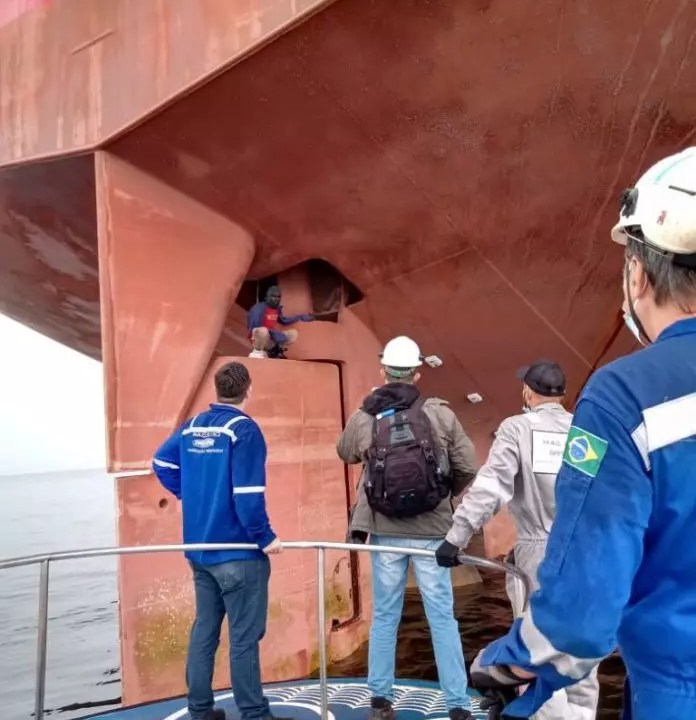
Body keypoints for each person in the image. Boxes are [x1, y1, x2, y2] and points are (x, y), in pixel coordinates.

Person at [468, 147, 696, 720]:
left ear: (639, 272)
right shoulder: (583, 416)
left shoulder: (622, 398)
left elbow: (581, 618)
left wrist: (509, 660)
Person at [435, 361, 599, 720]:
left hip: (539, 554)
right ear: (563, 395)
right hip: (587, 554)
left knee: (538, 649)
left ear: (527, 391)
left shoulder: (517, 429)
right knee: (580, 651)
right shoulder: (587, 433)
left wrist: (456, 536)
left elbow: (492, 486)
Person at [337, 336, 479, 720]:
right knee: (442, 616)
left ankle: (381, 700)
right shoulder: (440, 414)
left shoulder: (368, 415)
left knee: (385, 614)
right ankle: (457, 704)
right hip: (433, 531)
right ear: (417, 373)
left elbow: (345, 451)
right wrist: (442, 495)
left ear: (383, 371)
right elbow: (468, 464)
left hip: (386, 528)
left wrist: (366, 408)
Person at [152, 361, 286, 720]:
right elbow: (247, 495)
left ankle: (200, 710)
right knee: (243, 639)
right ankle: (255, 714)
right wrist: (265, 538)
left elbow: (160, 463)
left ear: (217, 389)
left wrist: (193, 496)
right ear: (248, 390)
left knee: (205, 631)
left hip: (199, 552)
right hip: (239, 553)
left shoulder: (192, 426)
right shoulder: (244, 430)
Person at [247, 286, 314, 359]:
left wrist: (302, 317)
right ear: (266, 297)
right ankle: (257, 352)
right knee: (263, 331)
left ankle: (274, 352)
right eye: (273, 296)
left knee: (293, 334)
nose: (276, 299)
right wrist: (273, 333)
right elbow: (256, 327)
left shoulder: (277, 309)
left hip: (270, 336)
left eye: (278, 297)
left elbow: (284, 320)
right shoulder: (258, 309)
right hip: (258, 336)